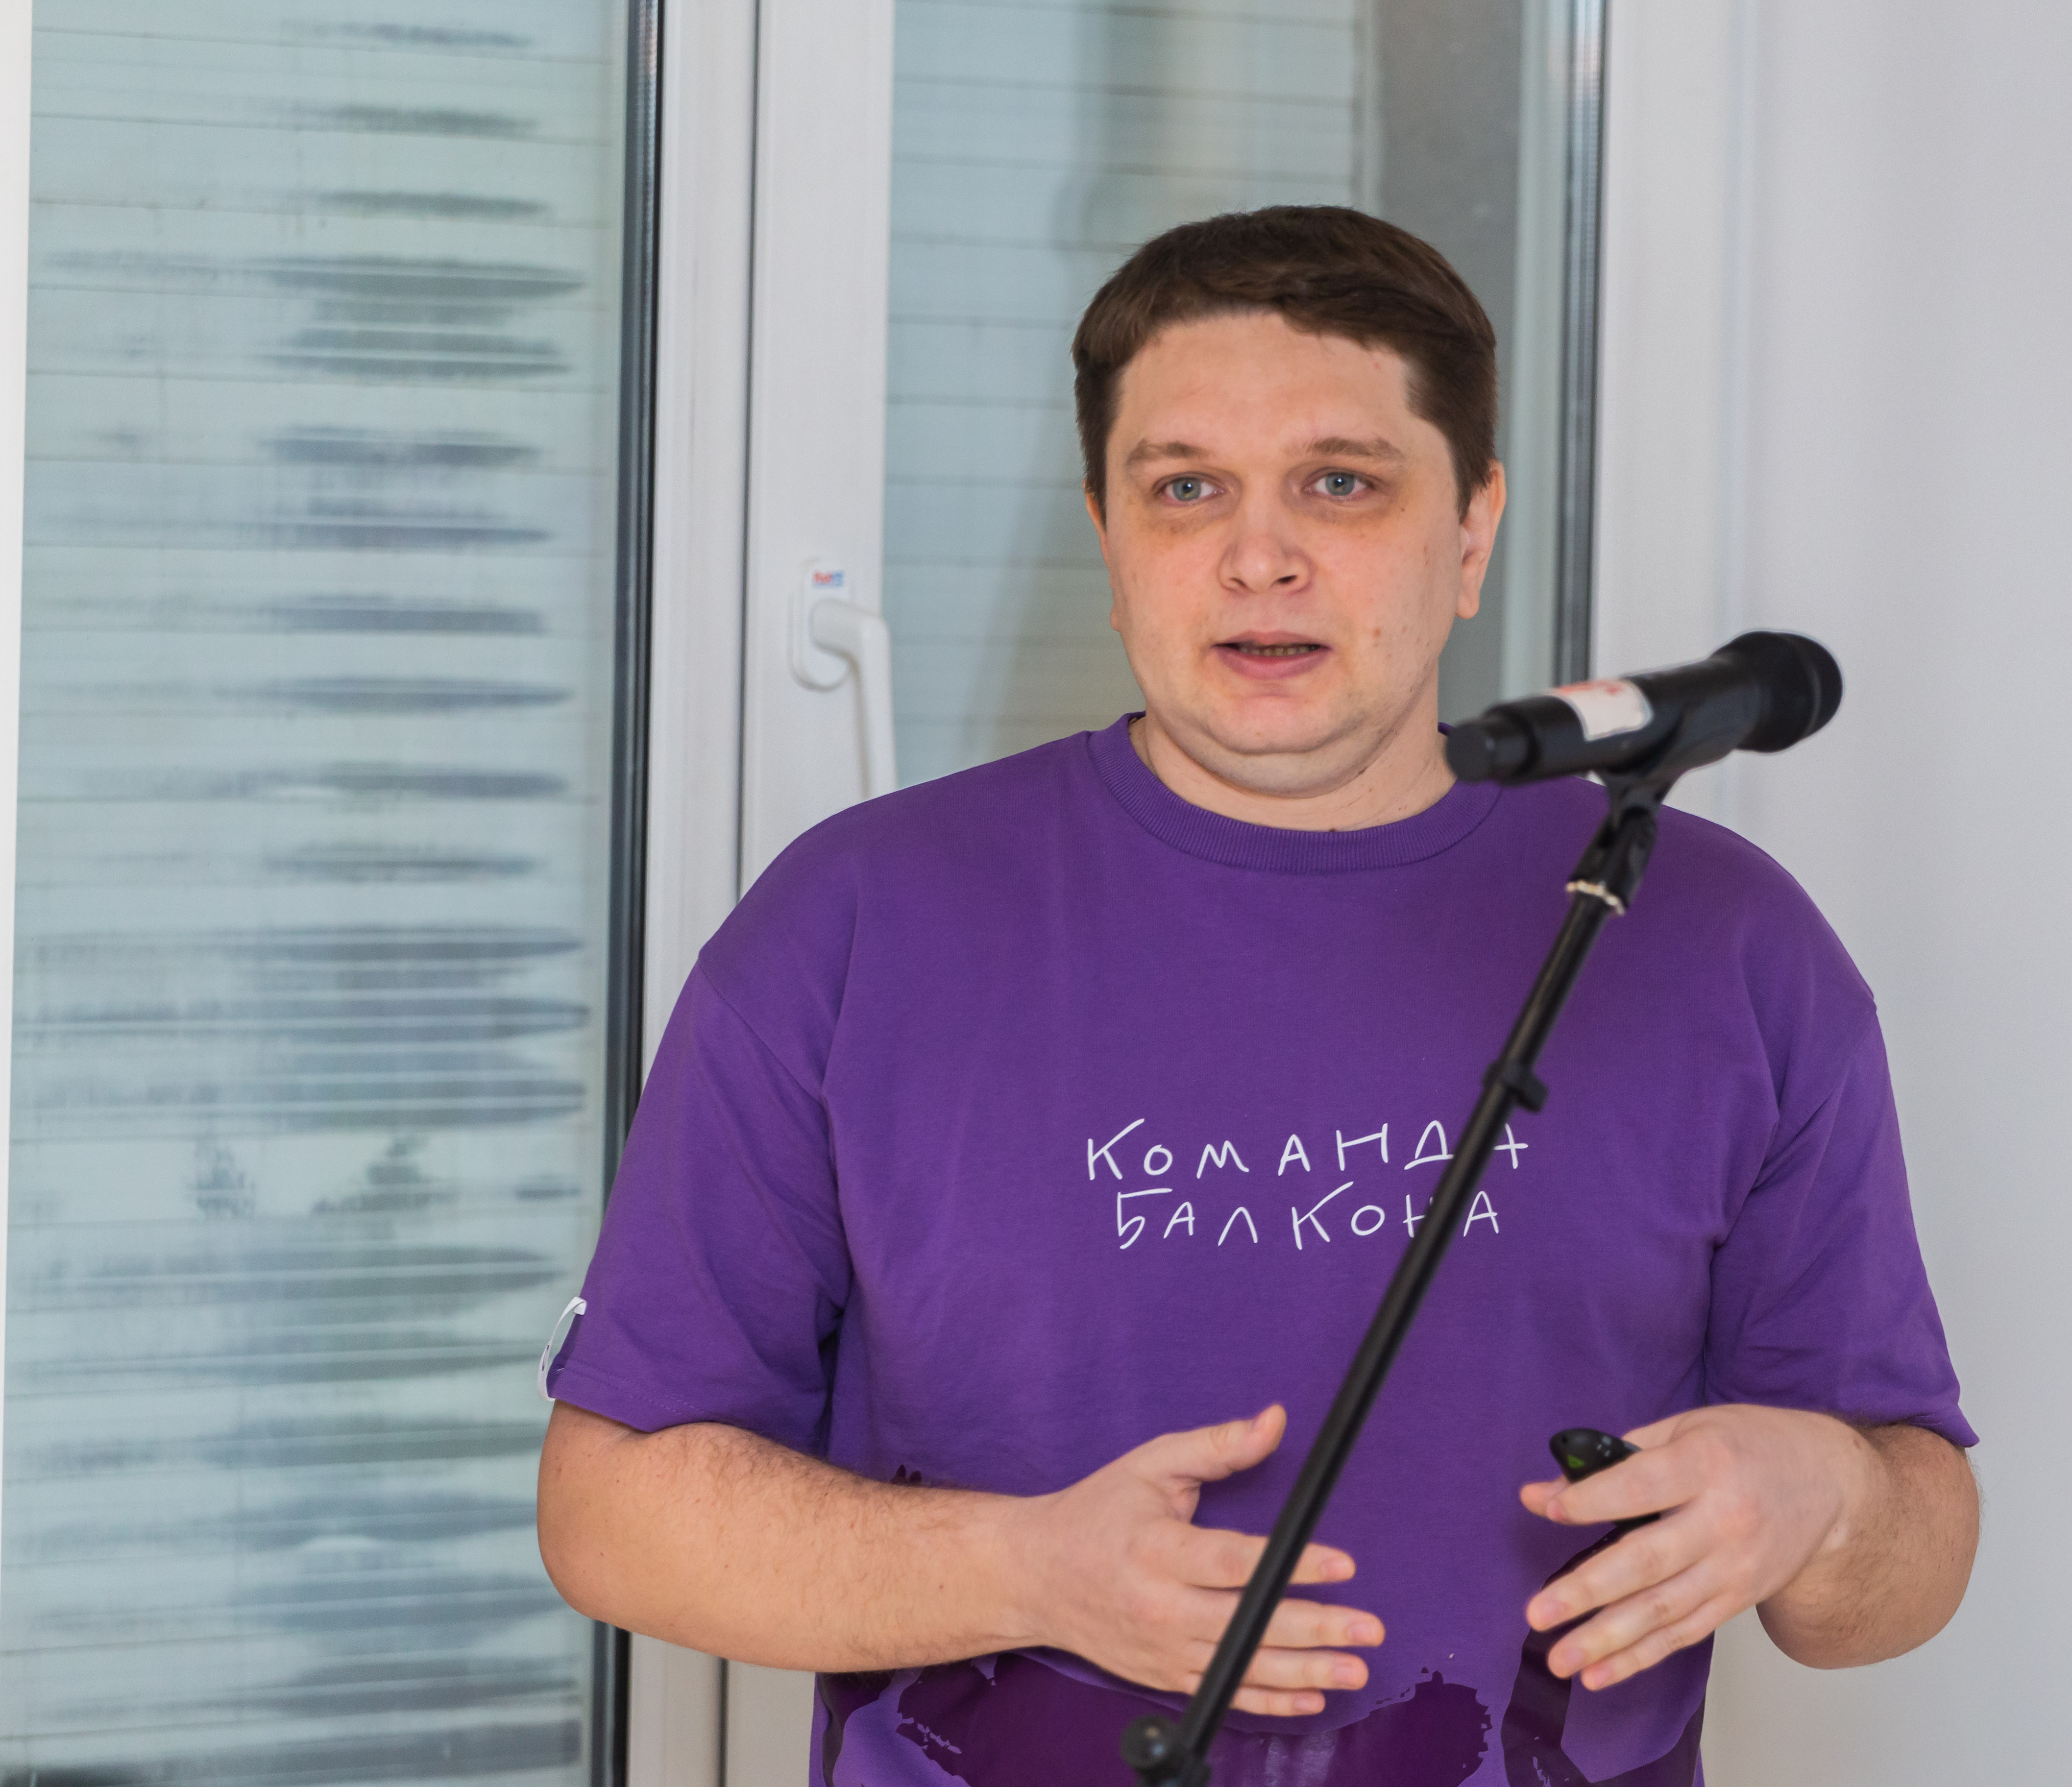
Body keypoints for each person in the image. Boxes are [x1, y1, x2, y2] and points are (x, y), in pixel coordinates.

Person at [537, 205, 1978, 1787]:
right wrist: (1028, 1572)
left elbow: (1905, 1570)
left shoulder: (1720, 941)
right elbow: (614, 1513)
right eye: (1186, 488)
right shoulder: (858, 922)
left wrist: (1824, 1495)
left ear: (1473, 529)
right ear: (1108, 536)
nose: (1259, 555)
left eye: (1341, 483)